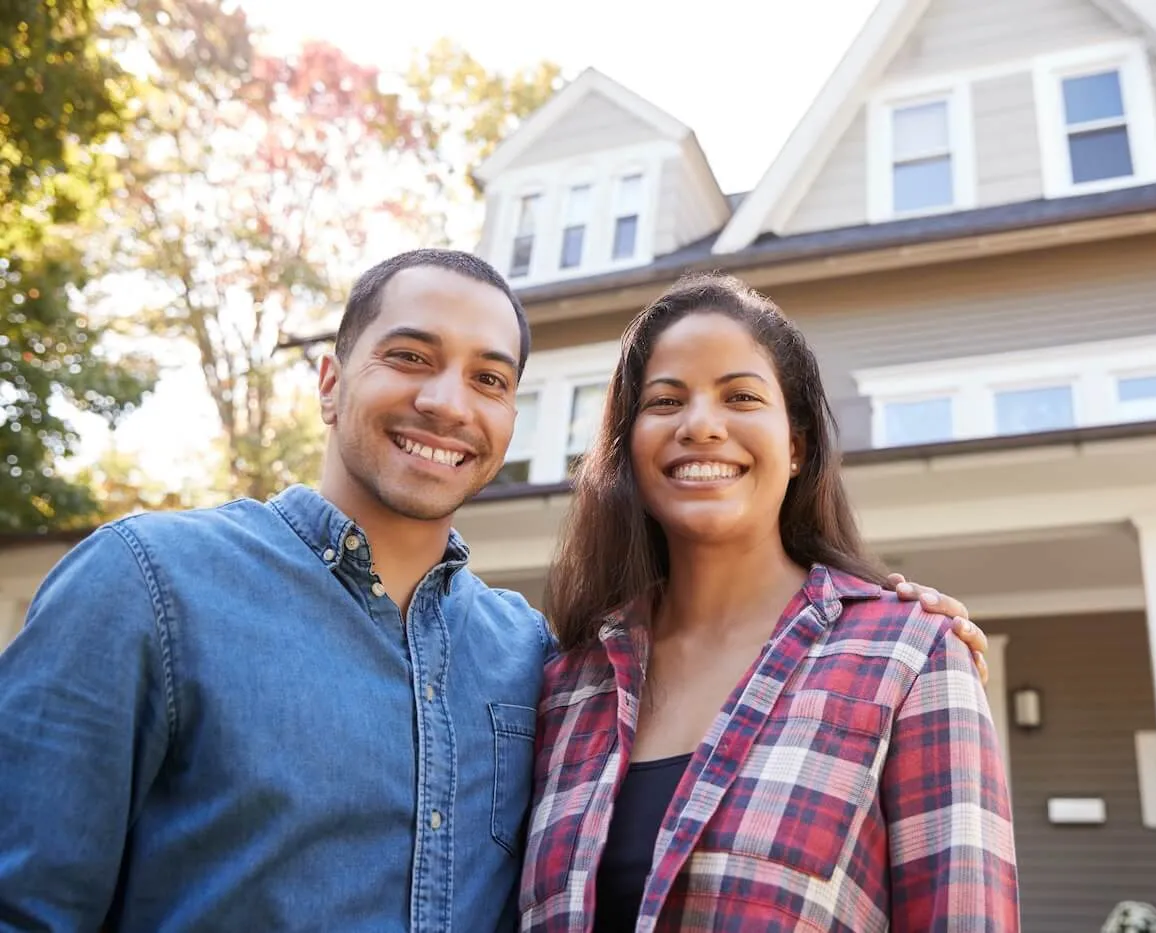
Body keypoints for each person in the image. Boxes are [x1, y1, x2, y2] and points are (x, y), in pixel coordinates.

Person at [0, 249, 985, 933]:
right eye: (410, 358)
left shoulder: (531, 661)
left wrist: (889, 624)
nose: (445, 403)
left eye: (488, 377)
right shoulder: (150, 586)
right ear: (328, 380)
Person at [520, 274, 1019, 931]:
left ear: (796, 446)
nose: (700, 425)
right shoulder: (566, 686)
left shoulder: (911, 657)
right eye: (666, 400)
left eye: (741, 396)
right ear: (628, 449)